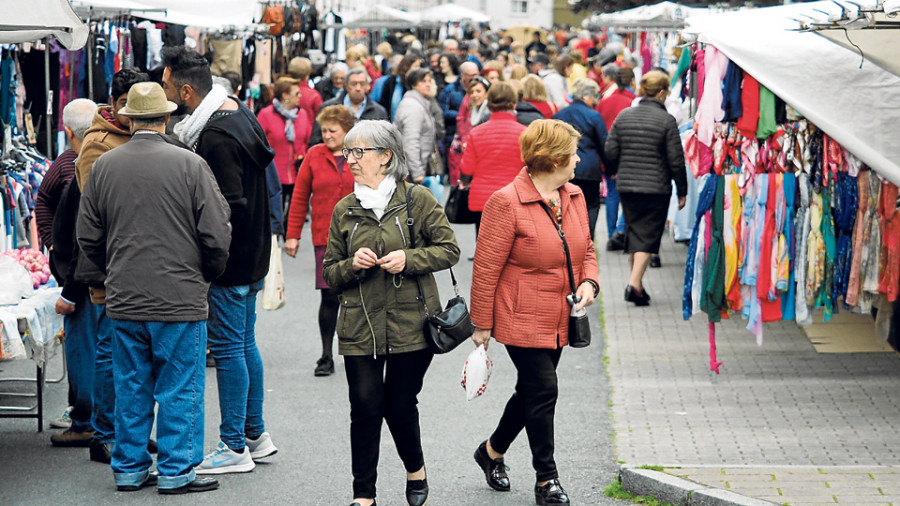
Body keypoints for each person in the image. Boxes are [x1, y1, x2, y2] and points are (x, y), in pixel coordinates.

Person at [77, 81, 230, 494]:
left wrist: (112, 272)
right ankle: (177, 470)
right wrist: (206, 274)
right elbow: (216, 233)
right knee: (180, 386)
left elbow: (87, 235)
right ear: (166, 117)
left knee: (131, 384)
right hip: (179, 295)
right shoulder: (189, 164)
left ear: (128, 117)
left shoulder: (106, 165)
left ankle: (129, 467)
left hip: (125, 295)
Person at [322, 120, 460, 506]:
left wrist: (409, 258)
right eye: (347, 152)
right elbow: (330, 273)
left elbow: (449, 249)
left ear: (386, 156)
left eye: (357, 151)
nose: (349, 159)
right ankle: (363, 494)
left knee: (399, 404)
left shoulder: (416, 199)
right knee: (365, 406)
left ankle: (415, 471)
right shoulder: (345, 209)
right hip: (359, 324)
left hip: (412, 324)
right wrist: (353, 264)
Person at [469, 119, 598, 506]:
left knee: (530, 391)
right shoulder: (505, 201)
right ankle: (547, 479)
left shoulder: (573, 195)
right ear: (553, 158)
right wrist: (482, 324)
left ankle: (491, 451)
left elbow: (587, 250)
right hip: (519, 313)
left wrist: (590, 284)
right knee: (544, 388)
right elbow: (486, 267)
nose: (579, 158)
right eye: (573, 152)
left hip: (561, 314)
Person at [161, 45, 278, 474]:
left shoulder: (213, 134)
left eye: (168, 87)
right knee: (243, 345)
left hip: (233, 262)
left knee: (230, 349)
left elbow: (229, 204)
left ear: (187, 92)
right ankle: (254, 434)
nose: (165, 94)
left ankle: (233, 446)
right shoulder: (237, 112)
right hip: (254, 256)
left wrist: (211, 259)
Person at [67, 68, 152, 462]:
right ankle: (104, 431)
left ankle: (128, 430)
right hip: (111, 259)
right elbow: (97, 204)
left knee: (134, 353)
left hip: (144, 258)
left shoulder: (138, 131)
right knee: (108, 347)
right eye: (130, 108)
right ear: (117, 103)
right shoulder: (96, 144)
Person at [36, 98, 96, 438]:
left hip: (80, 276)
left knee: (84, 347)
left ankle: (86, 418)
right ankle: (95, 418)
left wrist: (53, 243)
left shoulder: (71, 167)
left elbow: (81, 238)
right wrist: (51, 240)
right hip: (93, 274)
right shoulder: (74, 165)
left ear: (67, 131)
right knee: (101, 348)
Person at [284, 105, 356, 376]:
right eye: (323, 130)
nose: (326, 135)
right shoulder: (314, 155)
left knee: (361, 295)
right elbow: (300, 196)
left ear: (347, 131)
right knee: (329, 296)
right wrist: (292, 235)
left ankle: (357, 352)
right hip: (325, 237)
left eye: (332, 131)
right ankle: (326, 355)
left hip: (362, 236)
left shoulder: (361, 153)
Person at [604, 71, 687, 306]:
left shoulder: (624, 116)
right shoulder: (666, 120)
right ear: (661, 93)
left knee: (635, 232)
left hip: (627, 185)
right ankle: (634, 283)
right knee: (648, 235)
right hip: (656, 187)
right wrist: (682, 189)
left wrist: (614, 170)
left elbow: (610, 149)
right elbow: (675, 159)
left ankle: (637, 286)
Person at [459, 82, 526, 236]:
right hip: (515, 198)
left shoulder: (476, 133)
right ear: (514, 103)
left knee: (485, 248)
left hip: (483, 199)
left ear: (489, 104)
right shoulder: (524, 134)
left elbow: (467, 168)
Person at [553, 78, 608, 239]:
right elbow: (604, 144)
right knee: (590, 205)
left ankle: (566, 238)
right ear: (585, 96)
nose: (595, 100)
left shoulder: (559, 115)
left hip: (563, 168)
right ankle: (587, 239)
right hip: (590, 169)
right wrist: (610, 169)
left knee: (564, 204)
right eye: (594, 97)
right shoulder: (594, 116)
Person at [257, 77, 312, 221]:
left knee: (293, 217)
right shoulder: (266, 115)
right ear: (285, 95)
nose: (300, 96)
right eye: (296, 93)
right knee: (273, 218)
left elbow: (307, 140)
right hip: (273, 175)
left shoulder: (302, 115)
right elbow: (258, 143)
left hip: (297, 174)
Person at [596, 67, 636, 251]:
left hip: (608, 155)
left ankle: (612, 233)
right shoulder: (633, 102)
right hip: (628, 156)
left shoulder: (605, 102)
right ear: (632, 82)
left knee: (612, 194)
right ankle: (620, 231)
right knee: (629, 195)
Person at [309, 68, 389, 147]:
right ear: (346, 86)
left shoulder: (379, 111)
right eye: (354, 84)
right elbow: (315, 140)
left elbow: (384, 143)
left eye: (362, 84)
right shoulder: (328, 108)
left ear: (367, 87)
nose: (358, 88)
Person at [394, 68, 438, 184]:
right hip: (410, 171)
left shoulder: (420, 103)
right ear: (413, 84)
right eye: (423, 81)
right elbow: (410, 142)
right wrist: (417, 172)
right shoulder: (412, 107)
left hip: (414, 168)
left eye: (429, 81)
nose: (428, 84)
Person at [370, 54, 421, 121]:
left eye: (419, 67)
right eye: (416, 66)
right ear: (406, 67)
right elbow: (384, 103)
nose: (418, 70)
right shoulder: (392, 82)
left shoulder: (417, 84)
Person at [287, 57, 323, 130]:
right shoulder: (314, 95)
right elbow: (321, 120)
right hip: (308, 135)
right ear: (307, 75)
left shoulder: (283, 92)